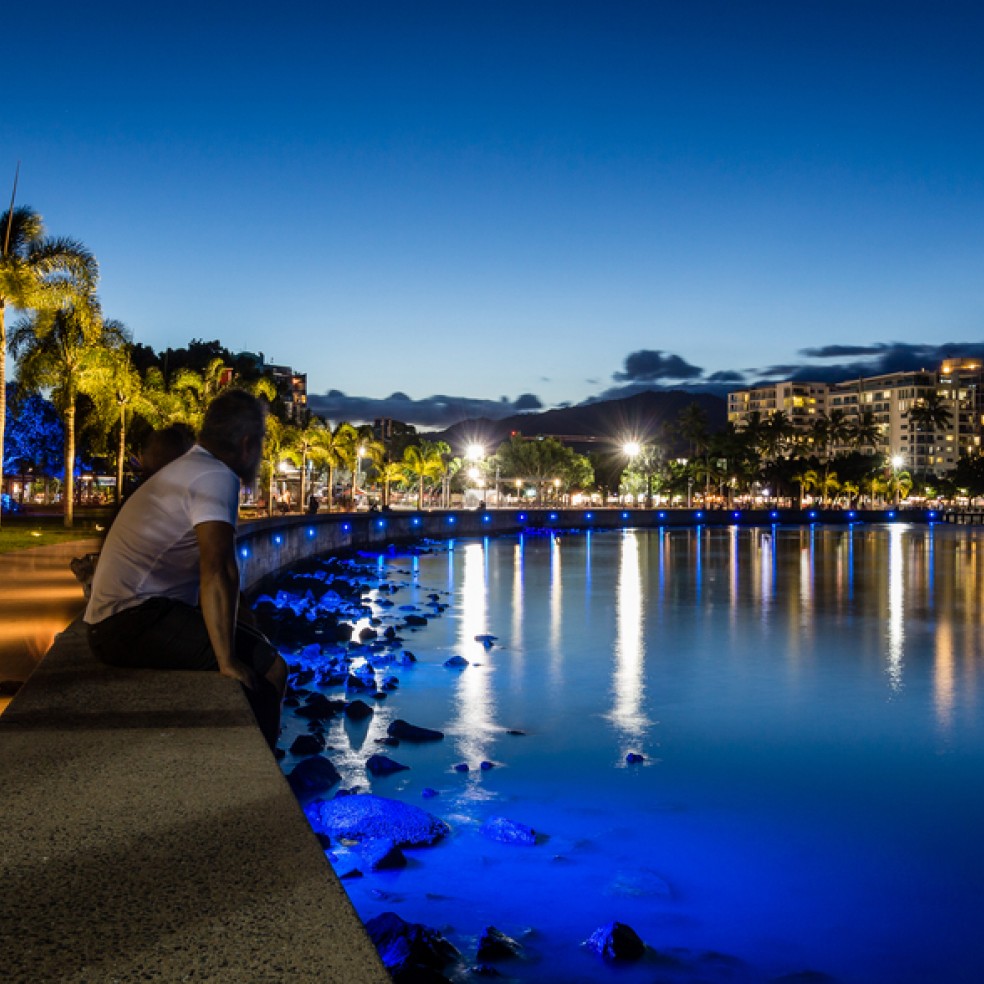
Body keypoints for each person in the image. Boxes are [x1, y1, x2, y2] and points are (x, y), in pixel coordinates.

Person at [84, 390, 286, 750]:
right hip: (131, 622)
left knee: (255, 652)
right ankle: (260, 773)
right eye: (261, 444)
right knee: (270, 668)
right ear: (246, 444)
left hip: (120, 619)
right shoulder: (214, 476)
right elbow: (217, 566)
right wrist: (225, 660)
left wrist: (243, 623)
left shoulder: (192, 466)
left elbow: (221, 572)